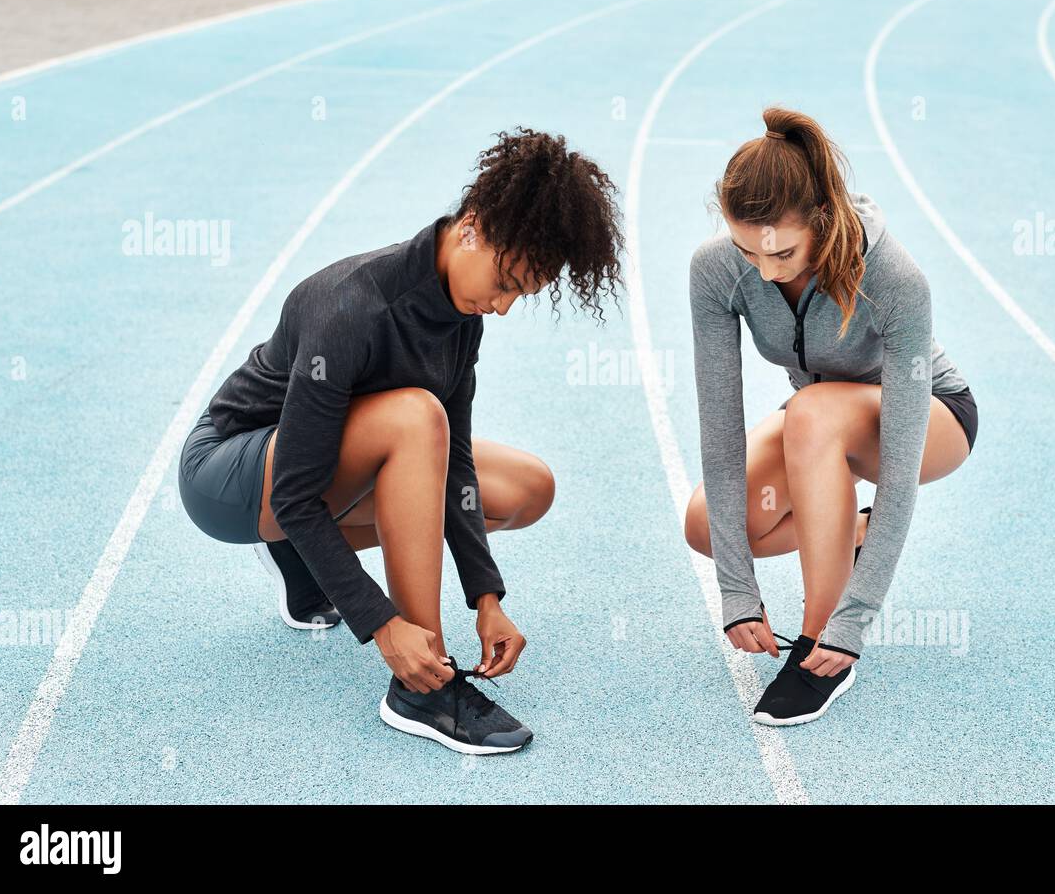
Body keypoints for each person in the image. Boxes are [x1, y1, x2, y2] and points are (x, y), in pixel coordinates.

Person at [179, 127, 625, 754]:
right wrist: (384, 624)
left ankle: (304, 562)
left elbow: (458, 466)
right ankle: (421, 689)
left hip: (311, 472)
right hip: (230, 471)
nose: (500, 307)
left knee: (526, 488)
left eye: (518, 296)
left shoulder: (461, 314)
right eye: (504, 282)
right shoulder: (351, 306)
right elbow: (295, 496)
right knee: (417, 419)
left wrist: (486, 596)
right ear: (471, 226)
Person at [685, 106, 977, 726]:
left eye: (783, 252)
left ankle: (819, 646)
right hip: (817, 418)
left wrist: (855, 618)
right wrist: (736, 591)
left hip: (930, 417)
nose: (764, 271)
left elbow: (897, 472)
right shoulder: (715, 272)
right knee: (707, 523)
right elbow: (720, 428)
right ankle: (852, 526)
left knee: (814, 412)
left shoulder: (894, 278)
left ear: (822, 219)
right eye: (748, 250)